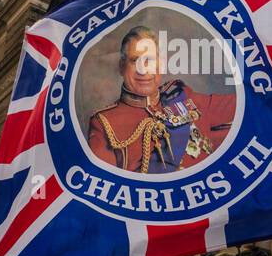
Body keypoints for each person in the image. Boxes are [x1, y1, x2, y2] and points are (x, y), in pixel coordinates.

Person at [87, 25, 235, 174]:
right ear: (121, 67)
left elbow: (246, 105)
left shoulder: (182, 96)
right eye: (134, 60)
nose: (143, 69)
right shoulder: (105, 123)